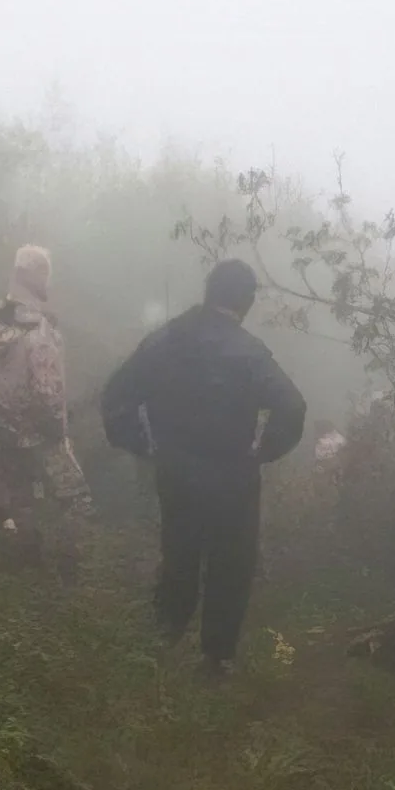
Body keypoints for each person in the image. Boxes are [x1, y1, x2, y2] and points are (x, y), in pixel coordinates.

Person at [101, 259, 306, 675]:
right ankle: (215, 659)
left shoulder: (166, 339)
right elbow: (292, 405)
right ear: (246, 301)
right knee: (231, 563)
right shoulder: (249, 352)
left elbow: (117, 395)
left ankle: (162, 639)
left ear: (208, 291)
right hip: (234, 476)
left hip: (176, 469)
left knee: (179, 553)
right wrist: (263, 451)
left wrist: (141, 444)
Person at [0, 245, 92, 562]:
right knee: (71, 497)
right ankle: (68, 562)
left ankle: (28, 554)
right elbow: (47, 391)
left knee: (21, 496)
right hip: (42, 434)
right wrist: (58, 427)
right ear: (37, 277)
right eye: (47, 274)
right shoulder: (39, 330)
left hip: (4, 430)